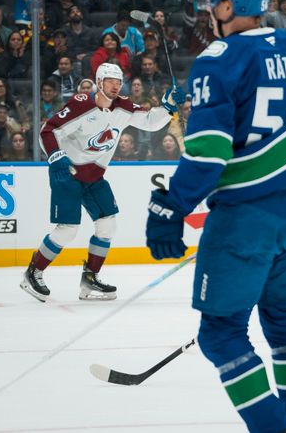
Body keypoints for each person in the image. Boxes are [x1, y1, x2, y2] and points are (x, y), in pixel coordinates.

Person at [142, 0, 286, 433]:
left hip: (245, 223)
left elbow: (210, 154)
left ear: (230, 5)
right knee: (285, 318)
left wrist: (170, 206)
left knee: (221, 334)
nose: (209, 8)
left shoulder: (217, 59)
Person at [20, 62, 183, 303]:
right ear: (99, 83)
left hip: (95, 176)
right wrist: (56, 159)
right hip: (68, 173)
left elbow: (150, 121)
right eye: (110, 81)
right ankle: (33, 272)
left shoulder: (123, 107)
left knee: (108, 225)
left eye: (118, 82)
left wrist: (168, 107)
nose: (116, 86)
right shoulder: (81, 104)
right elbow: (49, 130)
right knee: (67, 230)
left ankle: (90, 279)